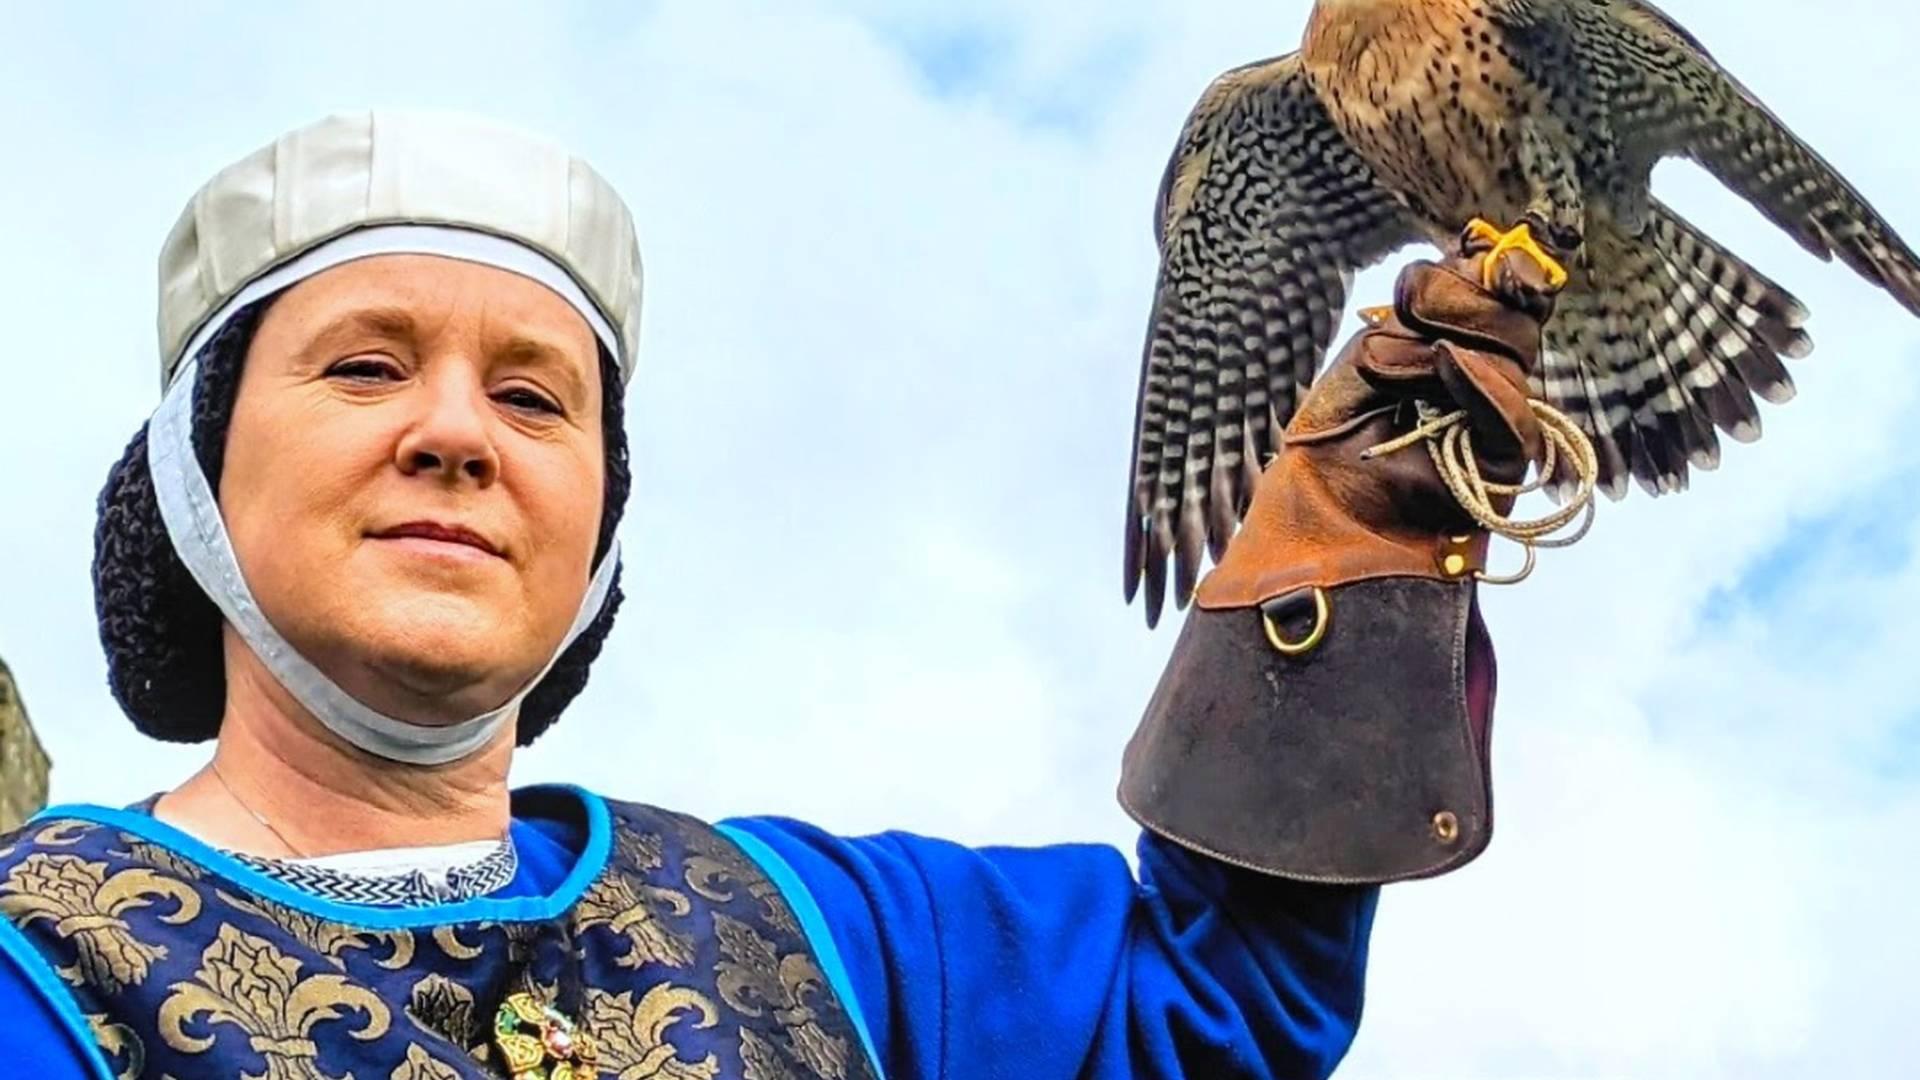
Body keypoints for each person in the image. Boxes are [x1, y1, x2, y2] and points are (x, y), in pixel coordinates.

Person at [0, 109, 1558, 1079]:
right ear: (194, 470)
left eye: (540, 401)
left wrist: (1345, 566)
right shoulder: (39, 967)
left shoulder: (818, 933)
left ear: (603, 517)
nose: (459, 435)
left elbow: (1208, 1013)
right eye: (365, 365)